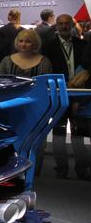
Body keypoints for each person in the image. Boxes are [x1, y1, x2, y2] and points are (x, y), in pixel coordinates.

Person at [44, 14, 91, 180]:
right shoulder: (48, 47)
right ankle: (61, 169)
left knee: (79, 135)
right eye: (60, 23)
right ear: (56, 25)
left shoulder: (83, 44)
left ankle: (82, 169)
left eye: (67, 23)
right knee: (59, 134)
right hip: (58, 94)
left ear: (72, 25)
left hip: (81, 94)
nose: (64, 26)